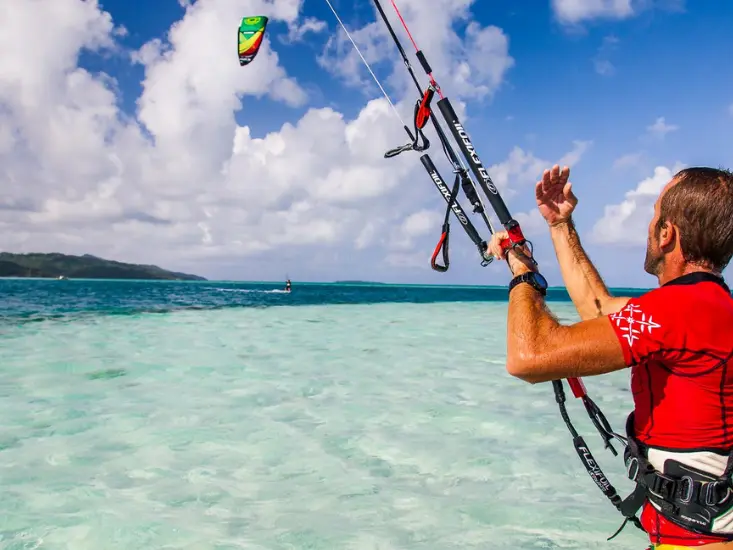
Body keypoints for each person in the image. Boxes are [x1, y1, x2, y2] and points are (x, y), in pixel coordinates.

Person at [487, 165, 733, 549]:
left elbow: (528, 357)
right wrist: (559, 224)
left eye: (654, 216)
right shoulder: (705, 306)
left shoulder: (679, 311)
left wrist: (523, 274)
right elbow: (598, 307)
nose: (649, 228)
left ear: (667, 234)